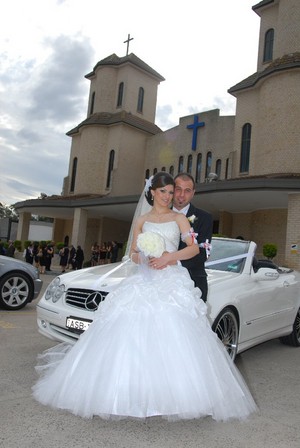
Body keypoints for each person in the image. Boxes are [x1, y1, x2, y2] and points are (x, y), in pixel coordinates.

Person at [32, 172, 257, 421]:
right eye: (164, 192)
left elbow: (193, 248)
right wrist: (145, 259)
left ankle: (174, 393)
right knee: (127, 332)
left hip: (171, 280)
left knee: (175, 334)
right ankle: (127, 391)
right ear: (152, 192)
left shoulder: (180, 220)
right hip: (144, 279)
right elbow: (133, 253)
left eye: (171, 192)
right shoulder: (141, 220)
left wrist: (168, 257)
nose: (169, 196)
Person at [172, 173, 213, 302]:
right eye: (178, 189)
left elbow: (204, 252)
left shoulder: (204, 218)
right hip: (160, 280)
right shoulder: (159, 215)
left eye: (187, 191)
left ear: (193, 193)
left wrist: (174, 262)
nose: (181, 195)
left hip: (193, 281)